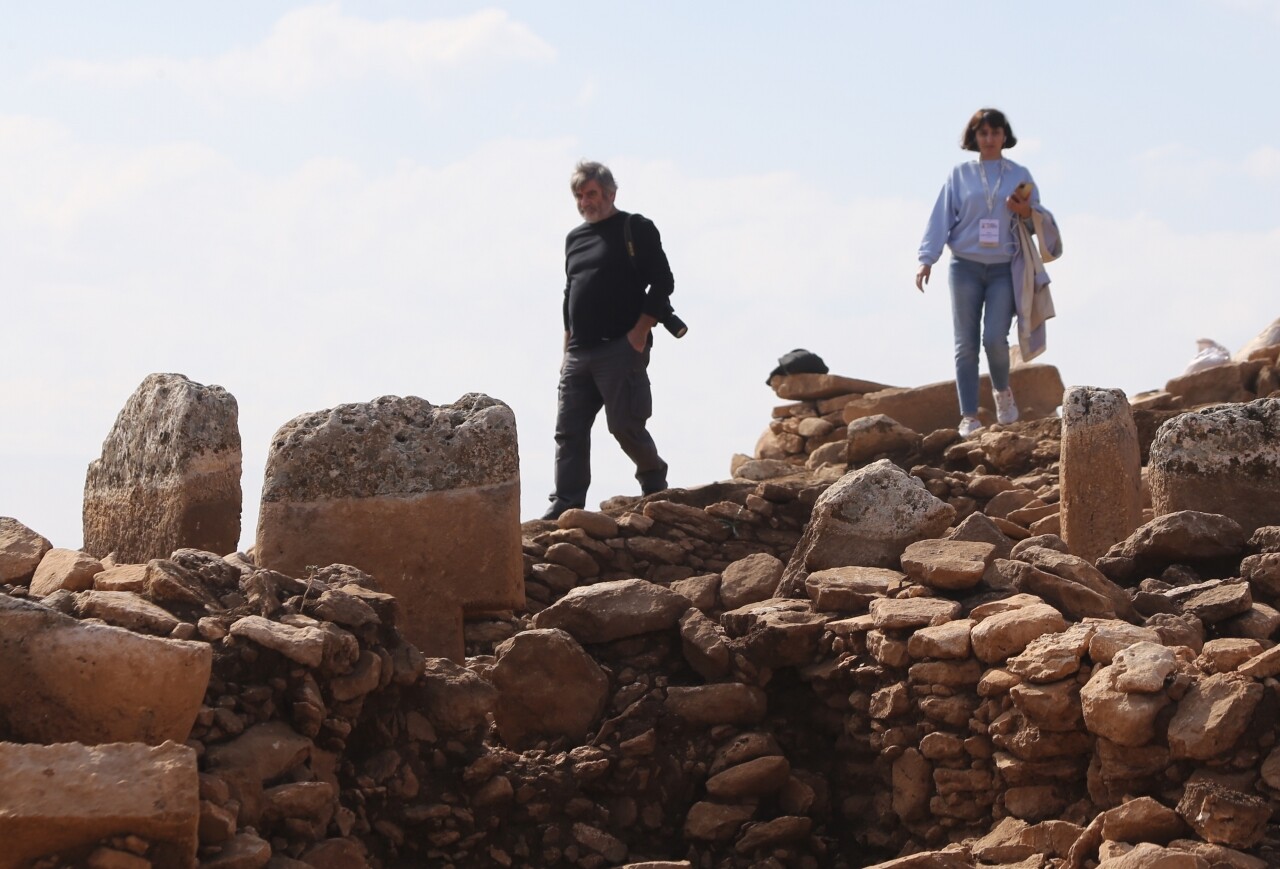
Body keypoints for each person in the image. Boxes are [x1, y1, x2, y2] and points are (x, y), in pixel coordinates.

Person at [543, 160, 673, 520]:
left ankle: (653, 482)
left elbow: (663, 282)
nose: (586, 201)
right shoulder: (575, 239)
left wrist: (639, 332)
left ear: (611, 193)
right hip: (578, 353)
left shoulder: (636, 228)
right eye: (580, 196)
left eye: (592, 194)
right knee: (568, 432)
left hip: (620, 347)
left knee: (624, 425)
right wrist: (566, 346)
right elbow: (570, 293)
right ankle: (565, 505)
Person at [916, 107, 1044, 437]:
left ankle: (1002, 392)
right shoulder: (960, 175)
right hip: (965, 267)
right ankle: (969, 416)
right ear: (974, 137)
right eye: (983, 133)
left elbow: (1036, 223)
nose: (989, 139)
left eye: (995, 133)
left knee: (994, 339)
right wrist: (926, 258)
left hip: (1004, 267)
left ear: (1005, 136)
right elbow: (940, 217)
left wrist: (1026, 210)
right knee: (966, 345)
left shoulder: (1019, 174)